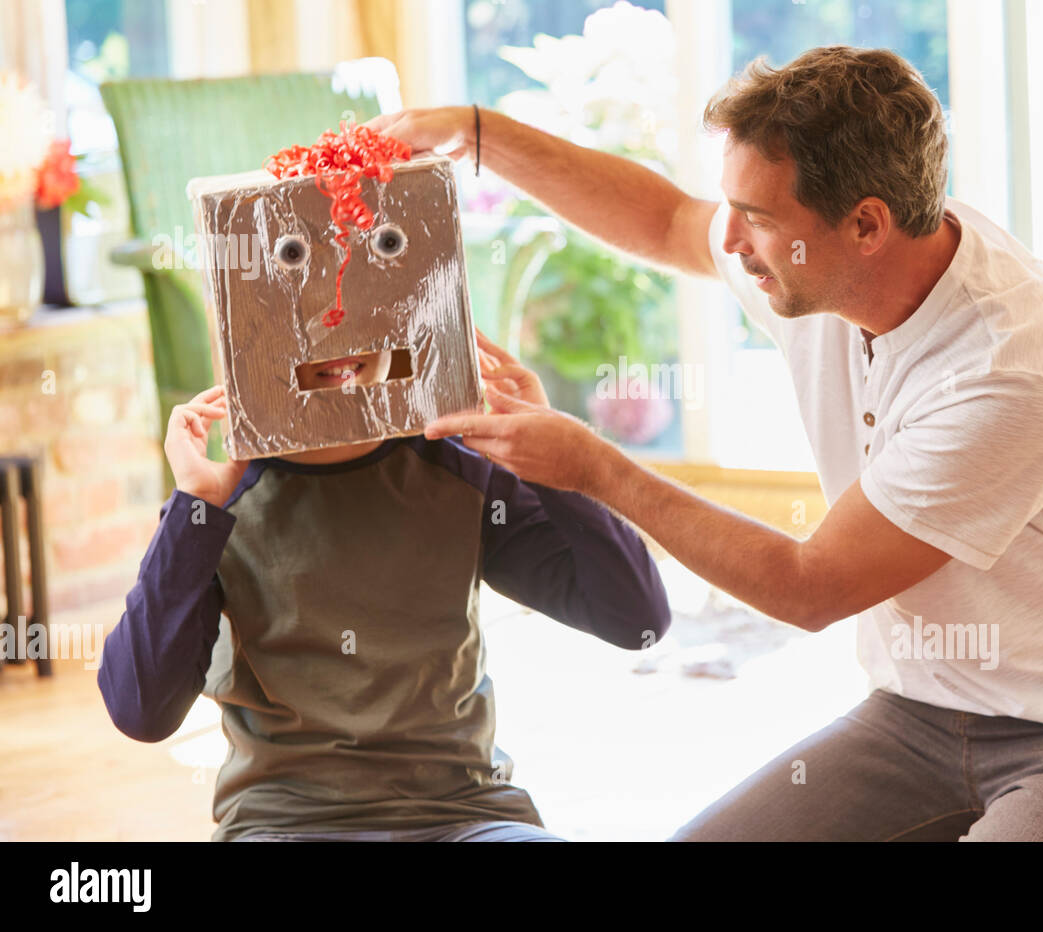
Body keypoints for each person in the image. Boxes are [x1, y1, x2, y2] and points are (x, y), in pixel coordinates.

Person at [372, 45, 1043, 841]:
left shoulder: (1007, 375)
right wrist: (478, 135)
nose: (732, 240)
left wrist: (594, 465)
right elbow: (670, 220)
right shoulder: (838, 263)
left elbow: (809, 587)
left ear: (865, 225)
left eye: (753, 216)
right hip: (926, 711)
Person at [98, 330, 671, 842]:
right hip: (288, 825)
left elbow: (634, 618)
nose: (336, 330)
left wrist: (559, 462)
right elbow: (141, 712)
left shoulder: (461, 473)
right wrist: (193, 509)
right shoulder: (219, 506)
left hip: (464, 813)